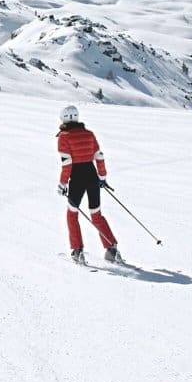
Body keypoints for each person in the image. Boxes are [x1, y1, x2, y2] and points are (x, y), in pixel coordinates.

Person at [57, 105, 123, 265]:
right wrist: (102, 176)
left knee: (72, 214)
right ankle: (112, 250)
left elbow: (67, 163)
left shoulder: (64, 137)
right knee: (96, 214)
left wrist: (62, 183)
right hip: (92, 177)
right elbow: (99, 156)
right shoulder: (89, 134)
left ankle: (77, 251)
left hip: (77, 179)